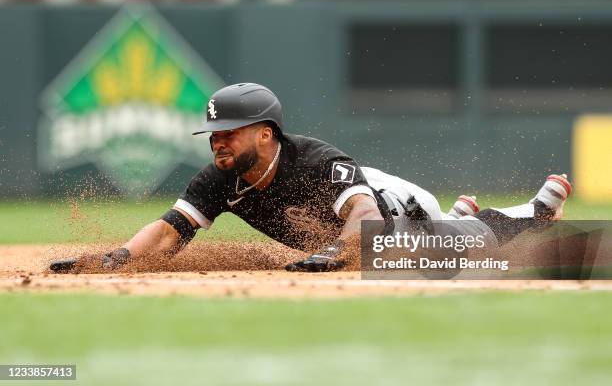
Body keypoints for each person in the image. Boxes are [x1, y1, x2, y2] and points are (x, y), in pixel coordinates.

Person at [50, 83, 572, 273]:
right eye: (213, 132)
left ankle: (536, 212)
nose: (218, 141)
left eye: (231, 131)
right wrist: (117, 257)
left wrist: (336, 253)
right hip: (356, 233)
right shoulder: (219, 178)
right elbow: (169, 231)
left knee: (456, 249)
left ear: (267, 135)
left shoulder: (316, 160)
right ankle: (460, 217)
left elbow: (365, 217)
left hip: (400, 212)